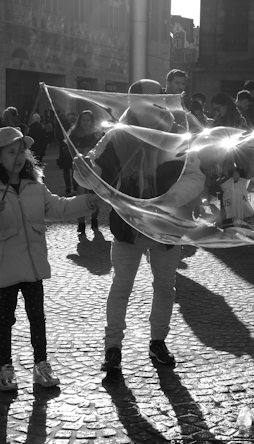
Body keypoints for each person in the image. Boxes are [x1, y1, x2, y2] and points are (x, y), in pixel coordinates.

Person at [0, 127, 100, 391]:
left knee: (37, 317)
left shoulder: (34, 185)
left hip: (32, 264)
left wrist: (87, 202)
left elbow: (58, 207)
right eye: (11, 152)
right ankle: (5, 368)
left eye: (21, 152)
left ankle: (41, 365)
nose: (18, 157)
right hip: (5, 265)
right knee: (6, 318)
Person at [84, 79, 205, 372]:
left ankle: (157, 342)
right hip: (128, 226)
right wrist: (84, 169)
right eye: (143, 103)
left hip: (165, 226)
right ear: (132, 104)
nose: (151, 107)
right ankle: (113, 348)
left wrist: (170, 200)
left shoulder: (177, 135)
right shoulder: (117, 136)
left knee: (165, 288)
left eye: (156, 101)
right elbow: (94, 170)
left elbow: (195, 176)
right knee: (121, 287)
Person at [58, 110, 103, 233]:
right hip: (79, 170)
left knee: (95, 197)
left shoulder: (97, 134)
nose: (85, 123)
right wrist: (76, 152)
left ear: (92, 121)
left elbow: (103, 151)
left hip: (94, 170)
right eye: (83, 120)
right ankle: (81, 224)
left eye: (88, 120)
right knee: (81, 198)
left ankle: (94, 220)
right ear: (79, 121)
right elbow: (67, 150)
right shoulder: (73, 134)